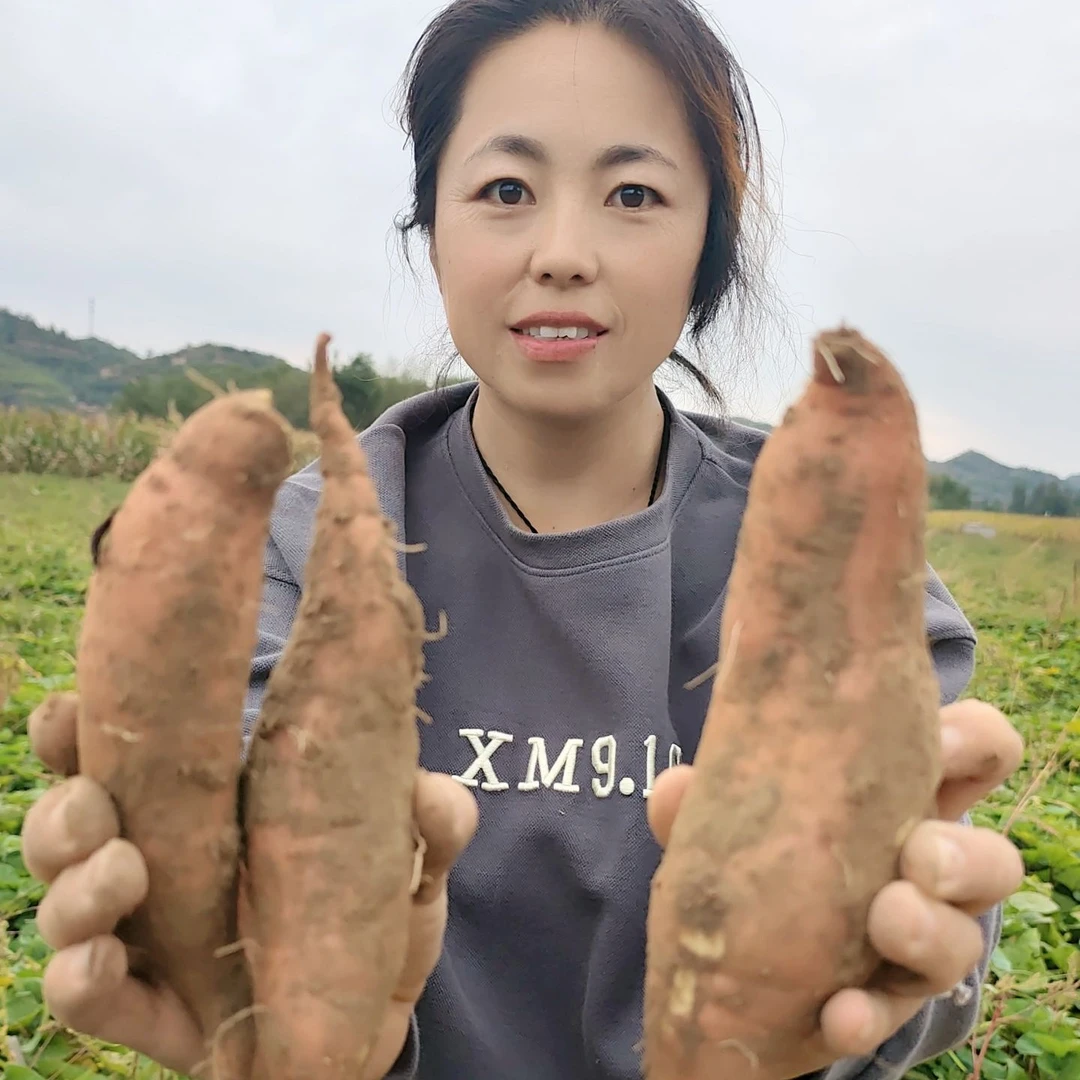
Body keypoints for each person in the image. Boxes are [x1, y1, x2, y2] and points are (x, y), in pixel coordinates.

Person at [20, 1, 1026, 1077]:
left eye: (633, 194)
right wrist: (267, 1022)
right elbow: (245, 901)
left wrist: (879, 989)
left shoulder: (837, 561)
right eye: (506, 190)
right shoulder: (303, 544)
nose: (562, 253)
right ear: (430, 222)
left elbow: (925, 923)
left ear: (709, 245)